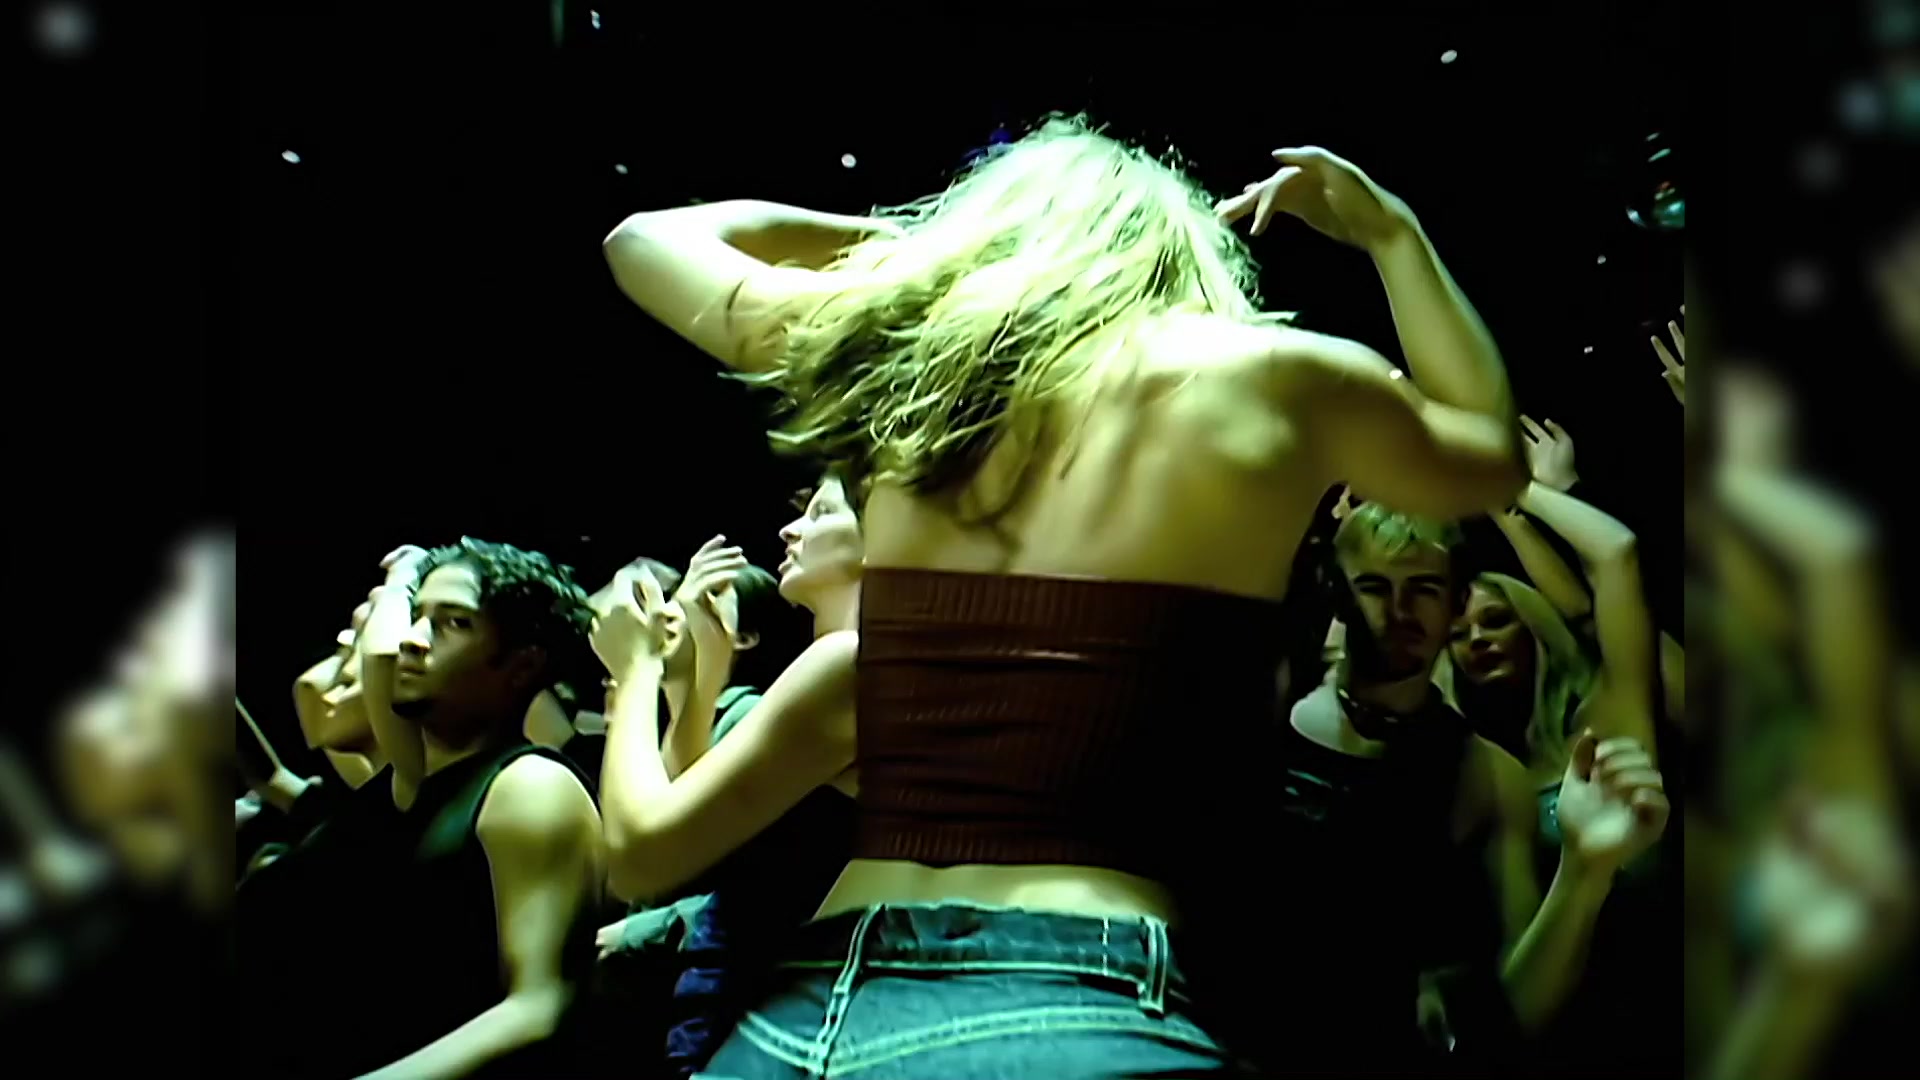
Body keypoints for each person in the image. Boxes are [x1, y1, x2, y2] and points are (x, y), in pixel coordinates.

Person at [602, 115, 1533, 1075]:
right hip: (1080, 994)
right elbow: (1489, 455)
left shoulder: (905, 359)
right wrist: (1392, 235)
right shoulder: (1279, 378)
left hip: (801, 1008)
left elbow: (642, 242)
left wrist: (925, 251)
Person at [1285, 504, 1667, 1070]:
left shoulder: (1487, 776)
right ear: (1338, 596)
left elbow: (1516, 1008)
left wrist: (1583, 871)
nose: (1399, 610)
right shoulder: (1269, 721)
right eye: (1374, 587)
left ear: (1454, 601)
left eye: (1423, 589)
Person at [241, 538, 604, 1078]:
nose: (412, 639)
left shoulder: (529, 786)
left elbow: (538, 1008)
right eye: (417, 616)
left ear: (523, 665)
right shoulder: (410, 774)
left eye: (454, 623)